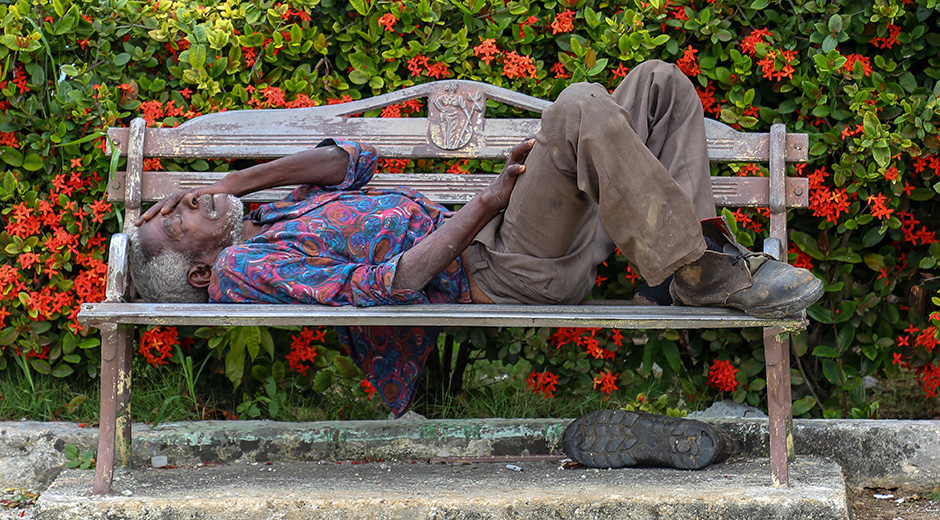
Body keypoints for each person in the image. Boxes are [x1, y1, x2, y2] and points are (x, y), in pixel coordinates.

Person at [130, 61, 821, 466]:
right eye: (176, 218)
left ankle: (681, 272)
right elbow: (390, 283)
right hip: (502, 271)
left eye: (177, 203)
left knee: (660, 84)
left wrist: (235, 185)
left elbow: (351, 161)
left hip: (530, 239)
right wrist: (490, 201)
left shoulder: (269, 214)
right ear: (198, 272)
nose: (182, 203)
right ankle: (702, 270)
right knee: (580, 101)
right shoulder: (248, 271)